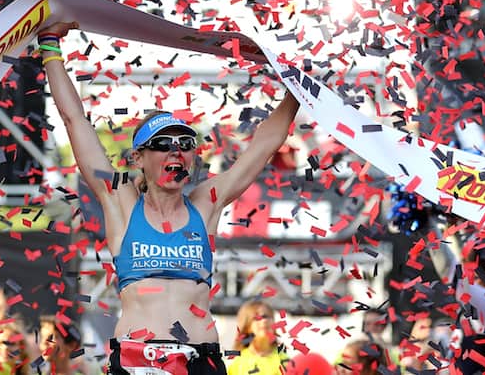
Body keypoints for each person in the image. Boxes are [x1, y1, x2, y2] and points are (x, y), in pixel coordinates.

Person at [38, 21, 300, 375]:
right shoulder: (121, 201)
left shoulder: (207, 202)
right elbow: (75, 121)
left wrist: (299, 85)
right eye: (163, 144)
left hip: (201, 358)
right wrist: (50, 47)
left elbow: (266, 142)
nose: (175, 152)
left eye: (185, 144)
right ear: (138, 159)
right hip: (136, 360)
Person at [226, 300, 289, 375]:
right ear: (247, 326)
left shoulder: (285, 360)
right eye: (257, 318)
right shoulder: (236, 362)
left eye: (266, 316)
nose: (264, 321)